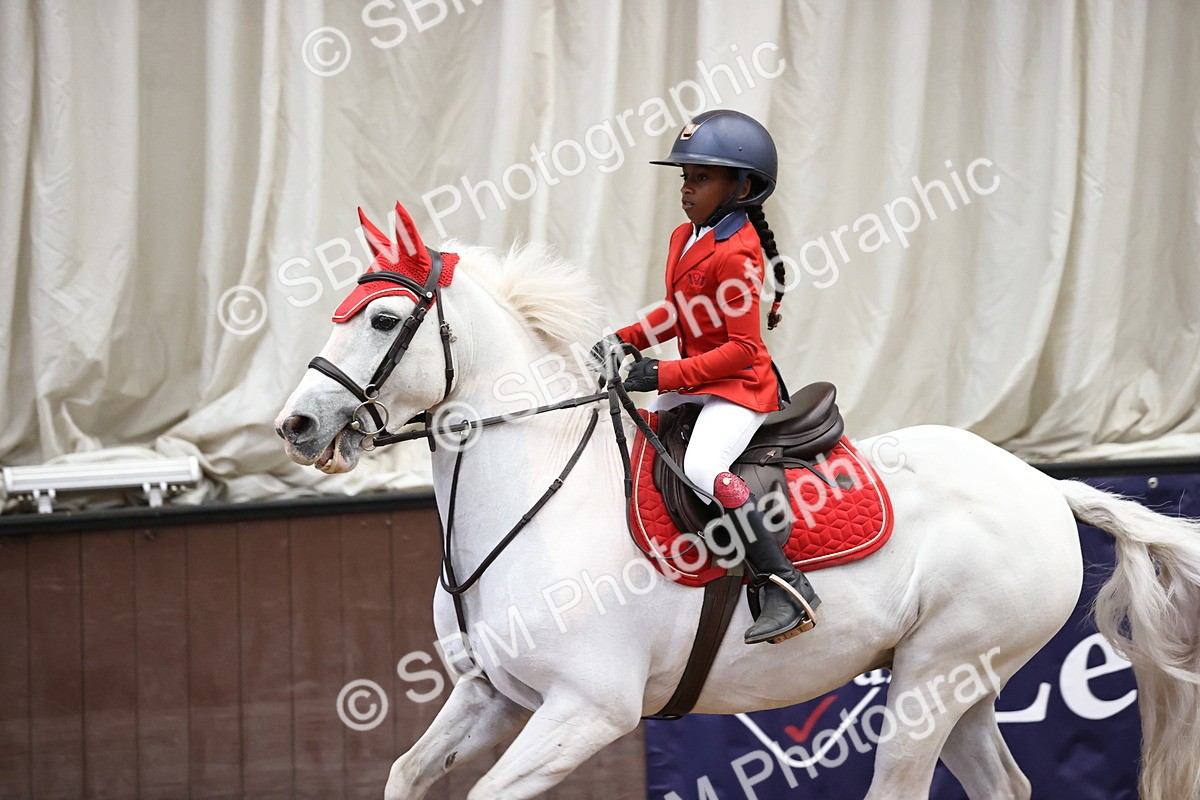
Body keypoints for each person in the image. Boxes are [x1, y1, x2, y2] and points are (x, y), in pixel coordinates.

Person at [595, 109, 821, 645]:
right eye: (684, 178)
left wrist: (663, 371)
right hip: (692, 384)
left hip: (737, 390)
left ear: (741, 186)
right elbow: (678, 312)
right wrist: (625, 337)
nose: (686, 189)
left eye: (700, 179)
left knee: (700, 465)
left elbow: (744, 351)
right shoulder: (684, 238)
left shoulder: (740, 256)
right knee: (630, 441)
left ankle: (784, 583)